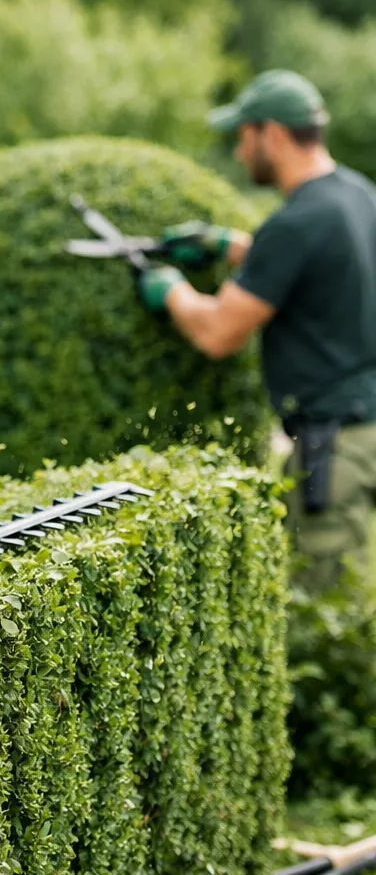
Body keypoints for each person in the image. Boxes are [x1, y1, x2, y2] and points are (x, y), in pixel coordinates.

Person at [137, 70, 376, 591]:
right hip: (369, 425)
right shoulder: (357, 196)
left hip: (337, 450)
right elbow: (318, 266)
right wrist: (226, 243)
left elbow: (219, 333)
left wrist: (171, 289)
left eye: (242, 135)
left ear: (271, 133)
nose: (240, 152)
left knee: (331, 617)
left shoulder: (295, 223)